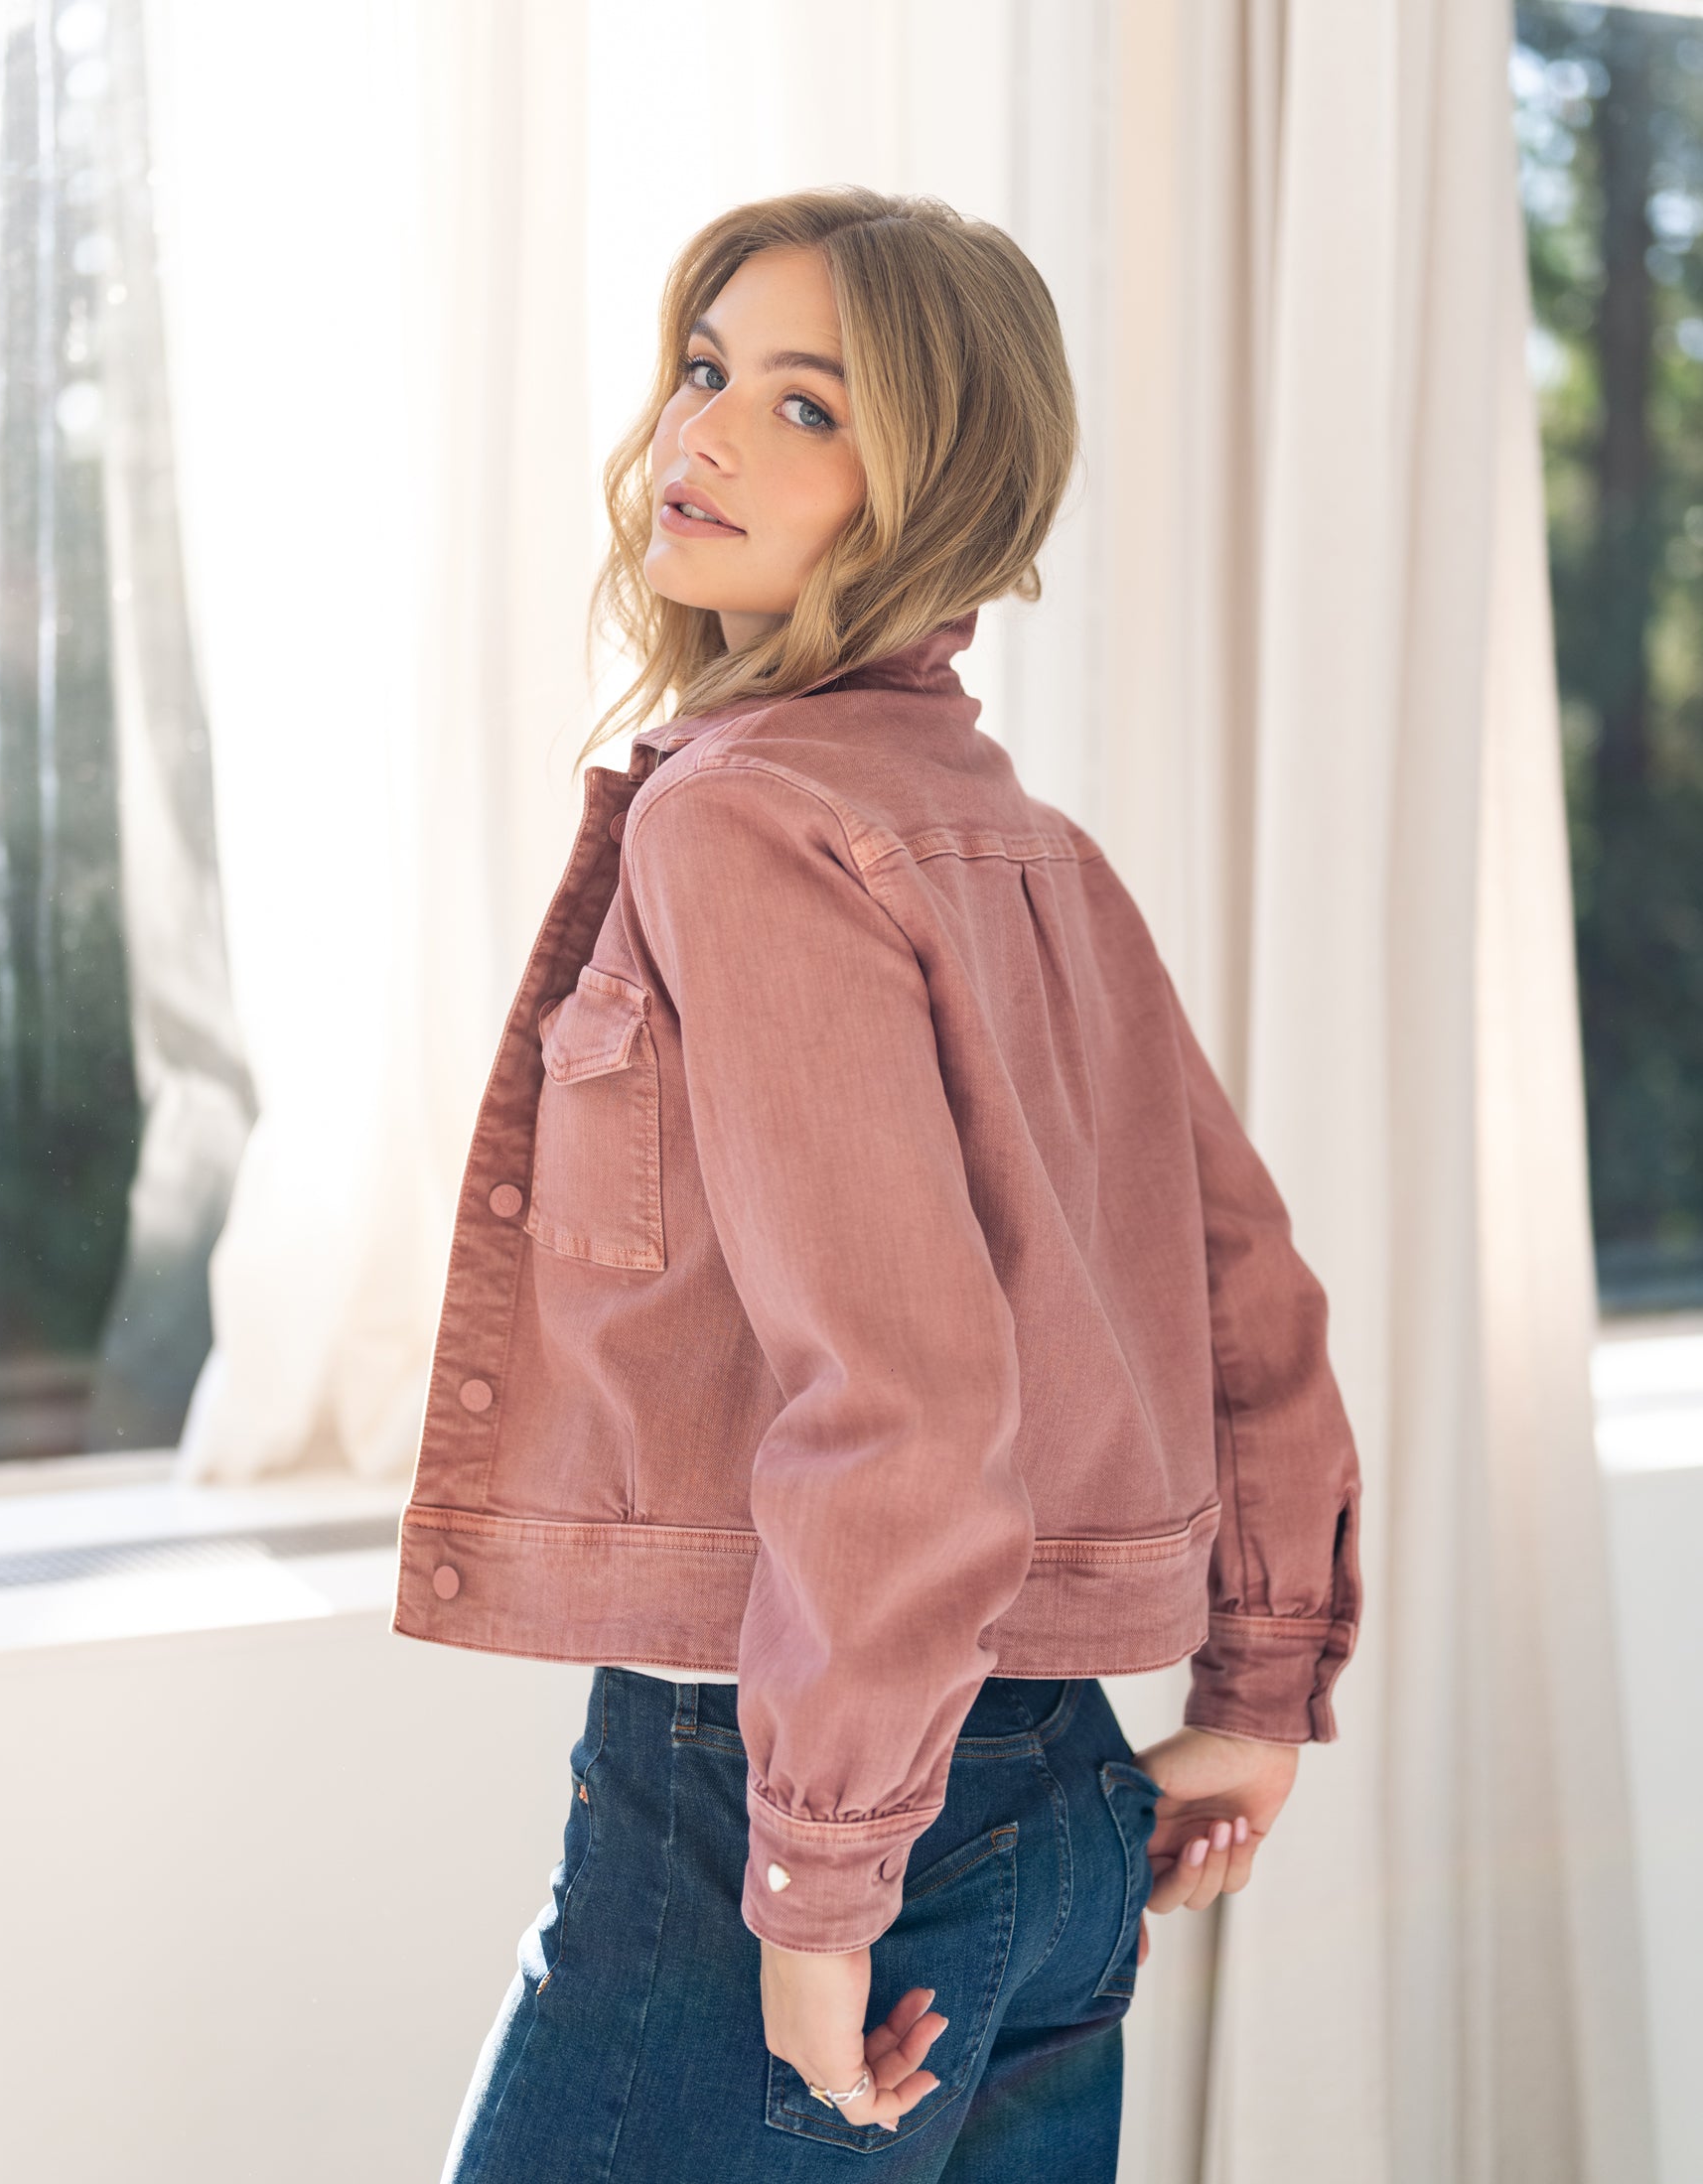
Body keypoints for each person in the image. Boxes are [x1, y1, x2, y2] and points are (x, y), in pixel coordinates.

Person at [393, 185, 1362, 2181]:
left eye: (811, 405)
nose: (709, 434)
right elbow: (1249, 1291)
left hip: (782, 1803)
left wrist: (818, 1881)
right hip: (1068, 1801)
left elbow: (903, 1394)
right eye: (705, 366)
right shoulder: (1021, 841)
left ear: (942, 483)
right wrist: (1262, 1689)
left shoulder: (739, 820)